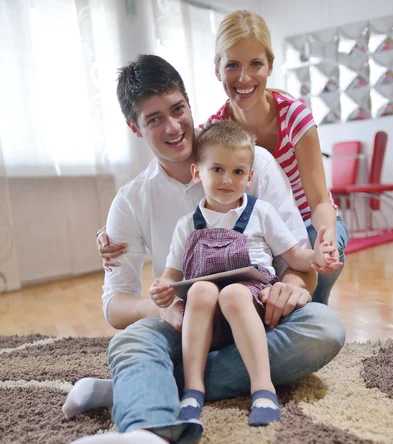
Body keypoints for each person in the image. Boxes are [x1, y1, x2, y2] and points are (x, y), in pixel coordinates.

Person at [63, 54, 345, 444]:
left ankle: (137, 387)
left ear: (191, 105)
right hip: (188, 321)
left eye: (178, 109)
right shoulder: (131, 201)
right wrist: (166, 306)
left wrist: (290, 288)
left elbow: (295, 258)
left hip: (253, 316)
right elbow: (115, 305)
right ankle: (148, 440)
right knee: (132, 340)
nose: (173, 127)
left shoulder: (255, 164)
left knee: (324, 329)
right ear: (136, 129)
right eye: (155, 119)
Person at [100, 10, 348, 306]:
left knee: (313, 300)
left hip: (309, 219)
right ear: (218, 70)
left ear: (270, 65)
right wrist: (116, 224)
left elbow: (320, 200)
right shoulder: (217, 134)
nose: (243, 77)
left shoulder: (291, 117)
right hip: (250, 246)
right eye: (233, 65)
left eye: (255, 63)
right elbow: (183, 160)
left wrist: (325, 241)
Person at [149, 120, 340, 429]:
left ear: (250, 177)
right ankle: (193, 389)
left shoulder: (261, 212)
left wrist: (318, 256)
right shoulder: (187, 224)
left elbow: (294, 256)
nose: (228, 180)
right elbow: (170, 277)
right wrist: (161, 291)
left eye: (238, 172)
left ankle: (262, 388)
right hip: (205, 317)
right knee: (200, 291)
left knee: (234, 292)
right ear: (197, 172)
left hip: (251, 303)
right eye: (217, 170)